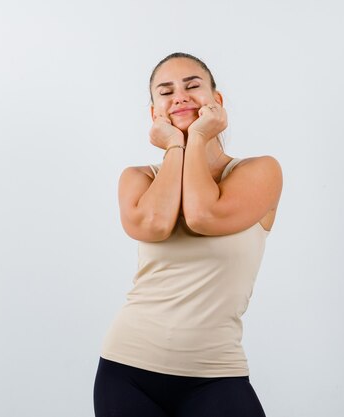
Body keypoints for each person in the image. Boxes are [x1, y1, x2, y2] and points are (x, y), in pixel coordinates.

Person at [93, 52, 283, 417]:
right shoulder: (138, 178)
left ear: (218, 102)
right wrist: (176, 146)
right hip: (127, 371)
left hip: (215, 374)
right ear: (154, 115)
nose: (179, 96)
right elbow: (156, 224)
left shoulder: (260, 171)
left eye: (192, 86)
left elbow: (202, 214)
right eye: (166, 92)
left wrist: (195, 137)